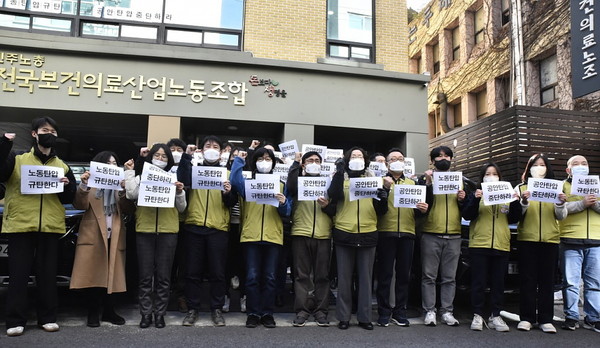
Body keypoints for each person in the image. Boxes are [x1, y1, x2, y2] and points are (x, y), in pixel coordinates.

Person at [0, 117, 77, 337]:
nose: (49, 134)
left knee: (47, 275)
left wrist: (67, 187)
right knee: (18, 275)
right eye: (45, 130)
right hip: (21, 225)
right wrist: (4, 144)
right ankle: (15, 320)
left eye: (53, 131)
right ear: (34, 134)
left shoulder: (61, 165)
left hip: (50, 227)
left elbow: (68, 199)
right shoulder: (17, 159)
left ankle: (48, 317)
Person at [124, 144, 186, 329]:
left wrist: (180, 192)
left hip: (168, 231)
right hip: (145, 230)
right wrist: (131, 174)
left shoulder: (173, 178)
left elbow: (182, 208)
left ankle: (160, 314)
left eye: (164, 156)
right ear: (151, 157)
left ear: (169, 160)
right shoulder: (141, 176)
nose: (160, 158)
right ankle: (145, 314)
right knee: (145, 276)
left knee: (164, 277)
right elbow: (130, 194)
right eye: (157, 155)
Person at [177, 136, 236, 327]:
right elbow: (182, 180)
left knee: (218, 272)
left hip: (218, 229)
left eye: (216, 147)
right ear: (202, 151)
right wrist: (186, 157)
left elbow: (232, 202)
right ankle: (193, 309)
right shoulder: (193, 171)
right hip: (194, 226)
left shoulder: (227, 173)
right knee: (192, 271)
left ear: (221, 152)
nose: (212, 149)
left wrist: (228, 193)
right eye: (208, 146)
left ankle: (216, 308)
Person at [327, 147, 388, 330]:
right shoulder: (341, 177)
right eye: (353, 156)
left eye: (360, 156)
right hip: (344, 232)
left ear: (365, 160)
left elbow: (381, 210)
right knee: (344, 278)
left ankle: (365, 317)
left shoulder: (373, 179)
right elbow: (334, 195)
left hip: (368, 232)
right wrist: (339, 172)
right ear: (347, 159)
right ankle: (343, 317)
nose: (357, 158)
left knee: (365, 279)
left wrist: (383, 197)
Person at [230, 148, 291, 328]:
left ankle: (267, 313)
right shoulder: (248, 183)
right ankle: (253, 313)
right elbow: (234, 181)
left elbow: (287, 211)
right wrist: (239, 161)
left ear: (273, 162)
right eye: (260, 158)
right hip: (251, 235)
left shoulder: (280, 184)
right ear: (255, 161)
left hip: (273, 236)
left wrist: (283, 203)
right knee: (252, 277)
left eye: (268, 158)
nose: (264, 161)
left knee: (271, 277)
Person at [70, 151, 131, 327]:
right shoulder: (91, 186)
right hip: (94, 234)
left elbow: (128, 209)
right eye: (108, 164)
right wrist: (83, 185)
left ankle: (109, 311)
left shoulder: (119, 187)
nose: (112, 167)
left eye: (114, 164)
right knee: (94, 274)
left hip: (115, 234)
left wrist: (123, 190)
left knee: (111, 273)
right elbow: (79, 205)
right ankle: (93, 312)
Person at [462, 162, 521, 332]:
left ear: (500, 177)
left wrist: (516, 202)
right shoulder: (475, 194)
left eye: (494, 174)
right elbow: (467, 214)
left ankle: (496, 314)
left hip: (501, 244)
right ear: (482, 177)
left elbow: (513, 218)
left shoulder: (507, 194)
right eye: (488, 174)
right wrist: (476, 199)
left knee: (498, 283)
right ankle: (478, 314)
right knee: (478, 282)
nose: (491, 177)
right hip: (480, 243)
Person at [376, 148, 428, 327]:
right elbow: (377, 210)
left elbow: (418, 212)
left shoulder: (413, 184)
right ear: (387, 163)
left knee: (404, 276)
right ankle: (383, 312)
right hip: (386, 232)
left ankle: (400, 311)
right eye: (393, 159)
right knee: (385, 275)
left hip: (407, 233)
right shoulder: (380, 182)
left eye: (401, 158)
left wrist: (422, 210)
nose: (397, 161)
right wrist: (384, 189)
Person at [286, 151, 334, 327]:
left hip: (323, 235)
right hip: (301, 232)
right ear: (304, 165)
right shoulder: (297, 181)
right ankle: (302, 310)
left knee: (322, 276)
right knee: (301, 276)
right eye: (310, 160)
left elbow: (335, 209)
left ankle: (321, 311)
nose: (314, 162)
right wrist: (295, 164)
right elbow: (290, 187)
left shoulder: (328, 184)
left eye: (317, 160)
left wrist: (327, 206)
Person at [420, 146, 466, 327]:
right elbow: (421, 206)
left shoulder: (459, 181)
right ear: (432, 161)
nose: (443, 158)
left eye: (447, 155)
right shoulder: (425, 180)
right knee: (428, 276)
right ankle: (429, 311)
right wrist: (429, 183)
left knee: (450, 277)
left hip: (454, 234)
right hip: (431, 233)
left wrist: (463, 198)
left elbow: (467, 210)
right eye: (438, 156)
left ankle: (447, 311)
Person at [515, 154, 561, 333]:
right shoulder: (520, 187)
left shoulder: (555, 188)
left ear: (548, 168)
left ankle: (545, 319)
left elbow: (561, 216)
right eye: (536, 165)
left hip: (550, 239)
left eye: (543, 165)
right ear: (529, 168)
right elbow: (516, 214)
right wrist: (523, 201)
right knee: (527, 279)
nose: (539, 168)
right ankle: (526, 318)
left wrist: (560, 204)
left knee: (547, 281)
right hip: (527, 238)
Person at [554, 155, 600, 332]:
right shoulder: (563, 186)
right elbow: (560, 213)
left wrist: (593, 204)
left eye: (584, 163)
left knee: (594, 283)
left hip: (596, 240)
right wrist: (582, 203)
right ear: (568, 170)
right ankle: (571, 317)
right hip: (569, 239)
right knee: (571, 282)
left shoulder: (597, 185)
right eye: (575, 164)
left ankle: (593, 317)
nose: (581, 166)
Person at [166, 138, 188, 313]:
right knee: (166, 264)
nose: (175, 152)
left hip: (185, 223)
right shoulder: (159, 169)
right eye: (172, 149)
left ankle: (181, 296)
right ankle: (163, 298)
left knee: (183, 263)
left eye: (179, 149)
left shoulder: (188, 167)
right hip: (165, 223)